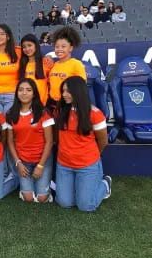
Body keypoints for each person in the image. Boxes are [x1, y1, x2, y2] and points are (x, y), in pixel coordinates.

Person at [55, 76, 111, 212]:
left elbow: (103, 141)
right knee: (65, 203)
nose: (64, 95)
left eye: (68, 91)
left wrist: (89, 156)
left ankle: (105, 183)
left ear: (78, 91)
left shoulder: (95, 114)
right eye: (63, 91)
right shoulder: (60, 111)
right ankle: (78, 188)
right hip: (64, 165)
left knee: (86, 206)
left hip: (87, 165)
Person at [6, 79, 54, 203]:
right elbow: (10, 141)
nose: (24, 93)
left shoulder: (43, 113)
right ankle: (31, 184)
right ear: (17, 93)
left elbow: (49, 141)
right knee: (28, 198)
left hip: (42, 160)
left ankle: (48, 183)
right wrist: (18, 163)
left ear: (34, 93)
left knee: (41, 198)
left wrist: (40, 165)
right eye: (21, 90)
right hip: (23, 161)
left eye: (28, 90)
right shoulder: (11, 113)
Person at [48, 27, 86, 110]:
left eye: (63, 46)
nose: (59, 49)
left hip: (68, 104)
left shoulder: (76, 64)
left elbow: (81, 86)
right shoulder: (54, 65)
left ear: (71, 48)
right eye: (57, 47)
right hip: (53, 104)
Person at [19, 34, 51, 105]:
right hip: (26, 105)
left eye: (29, 45)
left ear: (36, 46)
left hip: (42, 104)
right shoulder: (22, 64)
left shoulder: (45, 62)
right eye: (24, 47)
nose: (27, 49)